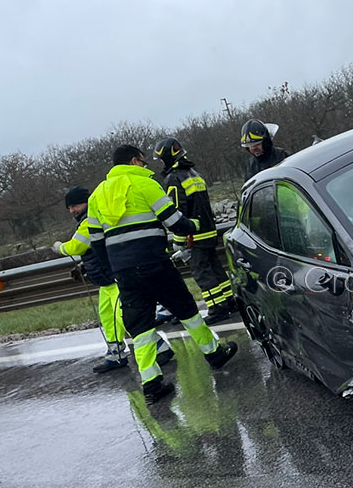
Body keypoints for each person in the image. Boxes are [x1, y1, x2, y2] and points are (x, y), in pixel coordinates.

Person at [87, 145, 238, 404]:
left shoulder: (97, 195)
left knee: (141, 327)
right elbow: (174, 220)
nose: (147, 167)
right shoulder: (145, 184)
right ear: (135, 161)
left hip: (124, 272)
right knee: (186, 309)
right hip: (154, 263)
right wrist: (196, 224)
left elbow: (96, 240)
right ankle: (213, 353)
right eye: (144, 162)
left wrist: (114, 268)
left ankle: (152, 384)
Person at [154, 137, 236, 324]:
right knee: (216, 269)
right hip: (209, 231)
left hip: (194, 234)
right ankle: (230, 302)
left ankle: (217, 308)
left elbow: (177, 212)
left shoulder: (173, 178)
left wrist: (179, 241)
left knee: (202, 273)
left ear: (166, 157)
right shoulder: (193, 173)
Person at [53, 186, 128, 373]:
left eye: (76, 205)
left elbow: (77, 246)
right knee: (107, 318)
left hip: (114, 278)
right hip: (105, 280)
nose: (72, 210)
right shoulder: (88, 219)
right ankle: (115, 354)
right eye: (69, 207)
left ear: (87, 201)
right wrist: (83, 266)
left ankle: (159, 347)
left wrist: (59, 248)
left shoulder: (90, 219)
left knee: (124, 317)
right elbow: (93, 249)